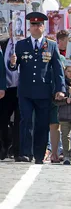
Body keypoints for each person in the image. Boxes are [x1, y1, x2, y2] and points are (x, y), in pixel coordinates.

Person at [8, 12, 65, 164]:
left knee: (41, 123)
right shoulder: (21, 45)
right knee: (26, 121)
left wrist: (60, 89)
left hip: (43, 91)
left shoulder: (51, 45)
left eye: (39, 24)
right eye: (33, 25)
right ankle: (26, 152)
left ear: (43, 27)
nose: (36, 27)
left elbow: (58, 69)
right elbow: (13, 67)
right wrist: (13, 63)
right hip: (26, 91)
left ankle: (39, 154)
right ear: (29, 27)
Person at [0, 24, 20, 161]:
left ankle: (18, 151)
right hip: (5, 89)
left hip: (21, 89)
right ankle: (3, 147)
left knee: (20, 121)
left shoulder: (24, 43)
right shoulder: (3, 43)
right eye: (12, 28)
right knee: (2, 120)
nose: (14, 31)